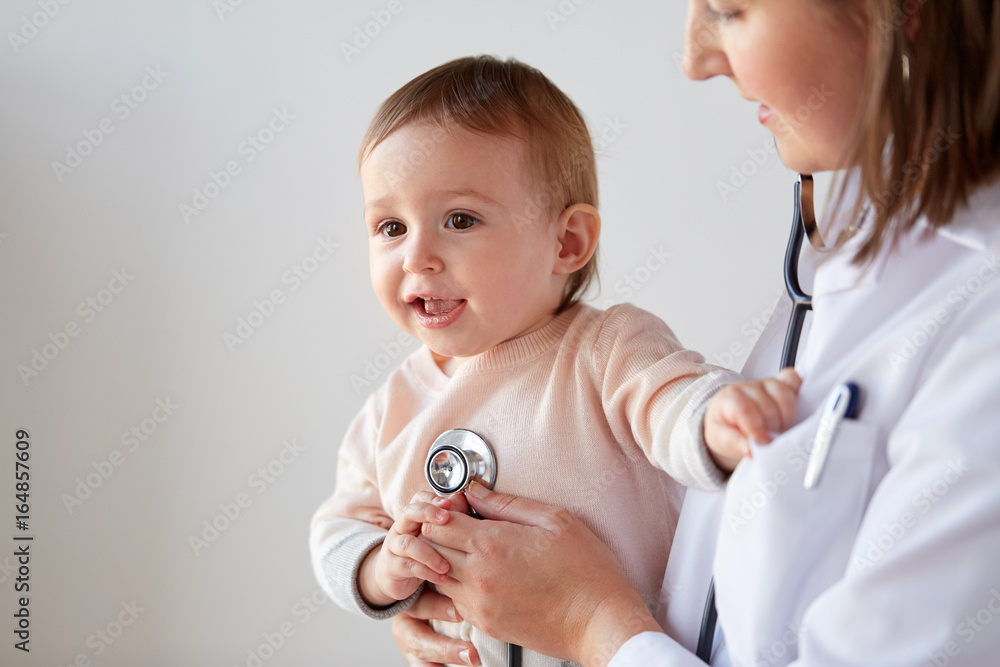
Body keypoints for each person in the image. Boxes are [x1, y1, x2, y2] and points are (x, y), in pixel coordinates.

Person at [395, 1, 1000, 666]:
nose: (694, 60)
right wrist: (433, 584)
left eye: (730, 9)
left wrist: (587, 622)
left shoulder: (978, 312)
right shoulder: (850, 247)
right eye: (388, 227)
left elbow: (685, 420)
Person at [309, 55, 802, 667]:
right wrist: (382, 573)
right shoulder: (393, 406)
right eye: (389, 226)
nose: (417, 255)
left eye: (459, 219)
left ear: (566, 242)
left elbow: (671, 401)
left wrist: (718, 420)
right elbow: (338, 531)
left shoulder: (606, 350)